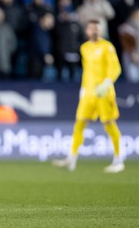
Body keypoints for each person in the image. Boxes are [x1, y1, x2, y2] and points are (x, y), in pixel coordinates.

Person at [52, 19, 124, 173]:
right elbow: (87, 70)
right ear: (87, 31)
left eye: (97, 28)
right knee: (79, 123)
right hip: (88, 93)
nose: (94, 31)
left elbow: (116, 68)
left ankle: (118, 160)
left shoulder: (107, 47)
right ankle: (71, 159)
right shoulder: (84, 48)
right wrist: (83, 89)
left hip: (104, 93)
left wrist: (107, 83)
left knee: (109, 124)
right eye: (91, 28)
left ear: (102, 30)